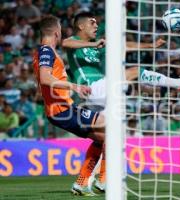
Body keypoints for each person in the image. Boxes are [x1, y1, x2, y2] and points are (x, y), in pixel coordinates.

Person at [62, 11, 180, 195]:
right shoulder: (75, 42)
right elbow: (65, 43)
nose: (96, 26)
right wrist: (93, 43)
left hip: (103, 93)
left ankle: (87, 181)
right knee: (133, 71)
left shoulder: (99, 46)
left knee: (106, 137)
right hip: (93, 88)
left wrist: (150, 45)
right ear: (81, 26)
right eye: (92, 23)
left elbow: (125, 45)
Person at [32, 15, 105, 196]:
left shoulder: (42, 52)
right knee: (111, 127)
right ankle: (103, 181)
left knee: (104, 137)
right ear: (57, 32)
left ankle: (81, 183)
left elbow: (46, 80)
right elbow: (45, 78)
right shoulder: (47, 51)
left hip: (62, 109)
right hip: (61, 110)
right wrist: (74, 86)